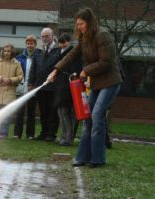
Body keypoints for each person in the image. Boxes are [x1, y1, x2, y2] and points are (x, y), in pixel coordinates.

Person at [49, 7, 122, 167]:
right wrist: (56, 69)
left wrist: (85, 71)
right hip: (96, 83)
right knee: (87, 118)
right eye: (78, 24)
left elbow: (106, 61)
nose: (79, 27)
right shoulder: (84, 37)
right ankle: (82, 157)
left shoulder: (103, 35)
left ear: (89, 22)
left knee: (96, 116)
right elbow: (72, 54)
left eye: (81, 24)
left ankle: (98, 159)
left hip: (110, 82)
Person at [28, 27, 61, 142]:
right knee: (43, 111)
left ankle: (51, 134)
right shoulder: (38, 51)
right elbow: (33, 68)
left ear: (52, 36)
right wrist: (30, 83)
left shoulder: (58, 51)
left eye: (47, 36)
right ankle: (44, 132)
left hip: (53, 86)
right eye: (43, 36)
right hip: (40, 86)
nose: (45, 38)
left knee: (53, 111)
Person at [54, 33, 82, 146]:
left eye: (64, 42)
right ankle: (65, 137)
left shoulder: (73, 54)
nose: (62, 45)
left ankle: (68, 138)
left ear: (69, 41)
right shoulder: (59, 53)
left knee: (67, 113)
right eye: (60, 43)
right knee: (62, 113)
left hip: (69, 89)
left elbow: (75, 72)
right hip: (60, 88)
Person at [13, 35, 41, 139]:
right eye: (28, 43)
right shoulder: (19, 58)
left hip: (32, 89)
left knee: (31, 113)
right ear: (26, 44)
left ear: (35, 44)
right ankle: (17, 134)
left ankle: (30, 134)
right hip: (21, 88)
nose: (30, 45)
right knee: (19, 112)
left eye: (32, 43)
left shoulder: (39, 56)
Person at [0, 44, 23, 138]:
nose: (6, 53)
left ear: (12, 52)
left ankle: (3, 133)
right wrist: (1, 79)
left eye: (8, 51)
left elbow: (20, 76)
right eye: (5, 51)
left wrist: (10, 80)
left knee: (6, 116)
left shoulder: (16, 63)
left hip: (9, 92)